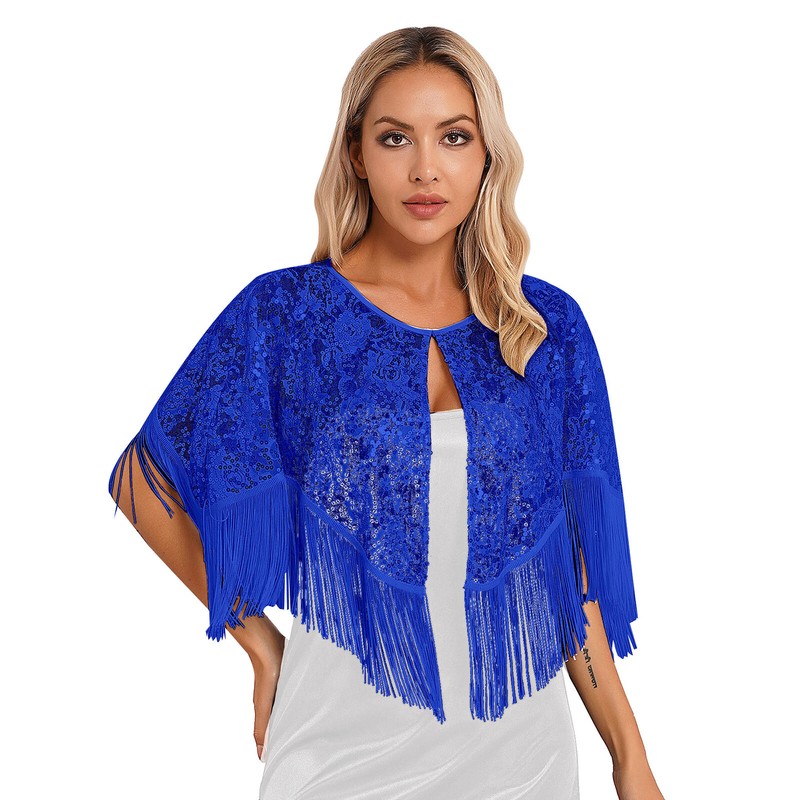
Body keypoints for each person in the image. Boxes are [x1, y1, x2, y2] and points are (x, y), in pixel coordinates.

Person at [108, 25, 664, 800]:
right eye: (396, 138)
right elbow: (143, 481)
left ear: (488, 156)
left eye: (455, 137)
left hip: (523, 767)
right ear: (357, 155)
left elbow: (570, 580)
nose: (426, 168)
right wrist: (262, 647)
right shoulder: (286, 317)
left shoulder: (544, 329)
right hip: (333, 762)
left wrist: (630, 758)